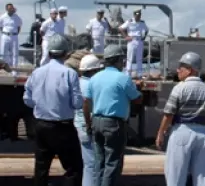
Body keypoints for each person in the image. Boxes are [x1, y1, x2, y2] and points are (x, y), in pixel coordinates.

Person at [156, 52, 205, 186]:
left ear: (190, 70)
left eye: (181, 67)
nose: (178, 70)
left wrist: (160, 133)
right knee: (201, 177)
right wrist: (203, 126)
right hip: (204, 134)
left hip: (182, 132)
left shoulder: (179, 88)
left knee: (175, 176)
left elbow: (169, 114)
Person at [23, 34, 84, 185]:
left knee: (41, 168)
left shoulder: (37, 72)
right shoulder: (69, 73)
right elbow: (77, 103)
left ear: (49, 52)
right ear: (66, 53)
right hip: (62, 126)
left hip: (41, 124)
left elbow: (27, 100)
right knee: (73, 168)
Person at [83, 44, 142, 186]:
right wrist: (137, 88)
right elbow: (137, 99)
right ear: (117, 60)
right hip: (114, 124)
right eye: (122, 60)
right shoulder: (123, 78)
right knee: (112, 163)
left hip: (96, 121)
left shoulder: (95, 78)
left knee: (99, 162)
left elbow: (86, 102)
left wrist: (88, 123)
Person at [75, 54, 104, 186]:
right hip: (89, 126)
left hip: (77, 125)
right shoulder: (93, 84)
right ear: (94, 70)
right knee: (93, 164)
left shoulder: (77, 83)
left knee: (86, 163)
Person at [119, 9, 149, 77]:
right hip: (131, 40)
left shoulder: (142, 23)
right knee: (130, 58)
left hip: (139, 40)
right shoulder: (129, 21)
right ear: (134, 14)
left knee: (139, 58)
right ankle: (128, 75)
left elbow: (147, 30)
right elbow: (120, 28)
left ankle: (139, 75)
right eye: (137, 15)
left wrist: (143, 37)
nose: (138, 16)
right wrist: (126, 37)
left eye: (139, 15)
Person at [0, 3, 23, 73]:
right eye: (10, 8)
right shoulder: (2, 17)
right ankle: (3, 70)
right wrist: (6, 33)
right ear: (6, 9)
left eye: (12, 8)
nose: (11, 9)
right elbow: (0, 27)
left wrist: (14, 34)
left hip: (14, 37)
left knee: (15, 54)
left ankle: (14, 72)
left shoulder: (17, 17)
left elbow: (19, 27)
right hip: (5, 36)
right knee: (3, 53)